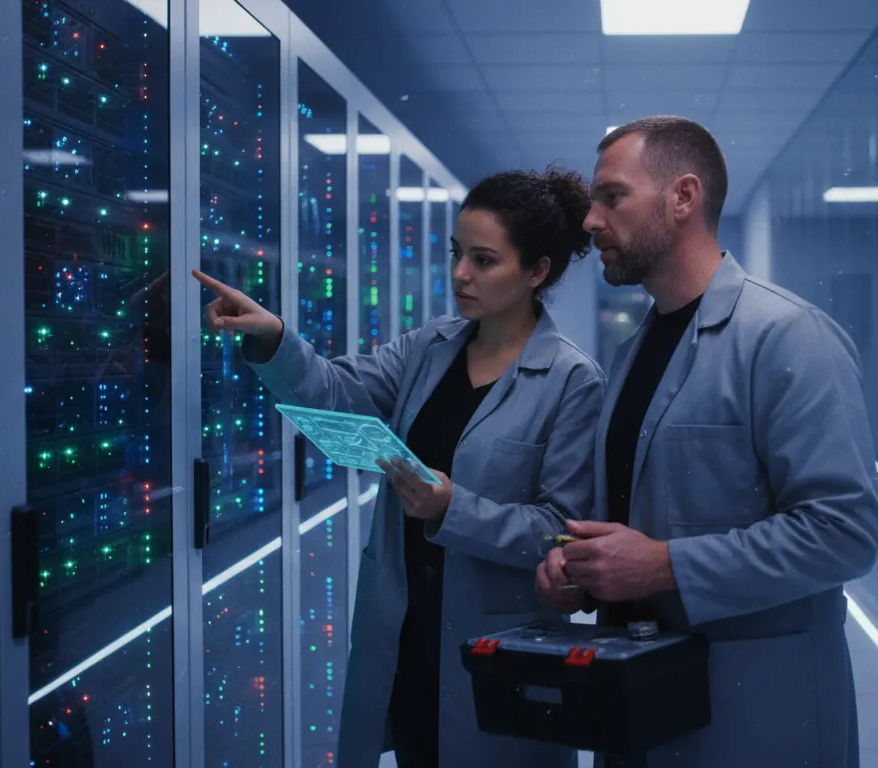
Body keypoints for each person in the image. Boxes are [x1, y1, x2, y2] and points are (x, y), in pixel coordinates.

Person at [195, 167, 605, 768]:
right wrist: (274, 337)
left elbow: (561, 531)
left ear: (536, 271)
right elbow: (336, 392)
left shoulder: (573, 381)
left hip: (497, 640)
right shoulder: (430, 348)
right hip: (406, 631)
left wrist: (452, 508)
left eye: (484, 261)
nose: (460, 273)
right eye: (457, 253)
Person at [535, 116, 878, 767]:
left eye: (612, 196)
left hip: (755, 720)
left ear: (683, 197)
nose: (590, 220)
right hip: (641, 708)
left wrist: (662, 566)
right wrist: (585, 572)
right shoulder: (635, 350)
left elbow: (844, 532)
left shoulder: (788, 336)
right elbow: (641, 518)